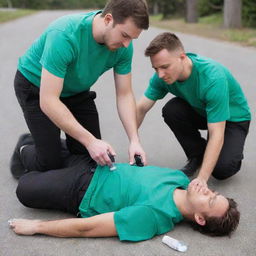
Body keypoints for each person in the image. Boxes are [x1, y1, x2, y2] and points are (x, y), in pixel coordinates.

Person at [12, 0, 149, 178]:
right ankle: (25, 146)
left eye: (132, 38)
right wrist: (90, 141)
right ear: (108, 19)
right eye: (124, 35)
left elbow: (124, 94)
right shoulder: (65, 34)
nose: (126, 44)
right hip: (37, 87)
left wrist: (134, 140)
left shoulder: (124, 46)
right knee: (50, 164)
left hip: (75, 90)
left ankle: (52, 143)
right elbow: (49, 101)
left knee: (91, 161)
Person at [9, 136, 239, 241]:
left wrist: (37, 227)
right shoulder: (178, 178)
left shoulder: (154, 216)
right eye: (214, 192)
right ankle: (34, 153)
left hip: (80, 190)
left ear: (199, 218)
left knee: (25, 188)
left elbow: (87, 228)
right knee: (32, 148)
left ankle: (34, 161)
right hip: (98, 163)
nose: (208, 190)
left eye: (209, 200)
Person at [137, 32, 251, 186]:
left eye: (165, 67)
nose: (160, 74)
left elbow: (217, 132)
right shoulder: (162, 76)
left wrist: (202, 179)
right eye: (156, 68)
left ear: (182, 58)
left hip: (233, 119)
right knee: (172, 110)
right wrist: (133, 141)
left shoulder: (212, 77)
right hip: (203, 111)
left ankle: (229, 150)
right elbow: (141, 107)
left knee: (222, 169)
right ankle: (197, 155)